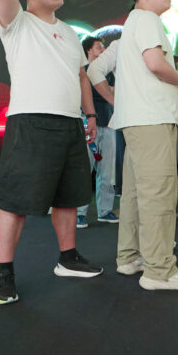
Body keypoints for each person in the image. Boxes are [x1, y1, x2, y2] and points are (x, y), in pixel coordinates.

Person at [0, 0, 102, 306]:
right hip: (30, 122)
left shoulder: (69, 32)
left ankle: (68, 258)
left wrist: (90, 114)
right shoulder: (16, 22)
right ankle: (3, 274)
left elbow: (81, 77)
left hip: (69, 123)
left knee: (68, 198)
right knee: (15, 203)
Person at [114, 0, 178, 291]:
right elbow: (155, 64)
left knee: (137, 193)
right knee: (160, 194)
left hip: (139, 119)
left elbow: (148, 70)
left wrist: (175, 87)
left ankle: (129, 257)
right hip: (151, 120)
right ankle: (159, 270)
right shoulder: (148, 19)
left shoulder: (135, 22)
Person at [76, 36, 118, 228]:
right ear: (89, 51)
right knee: (85, 170)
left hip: (108, 124)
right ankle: (79, 213)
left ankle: (105, 211)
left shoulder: (109, 72)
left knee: (107, 172)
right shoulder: (82, 72)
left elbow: (115, 91)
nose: (103, 50)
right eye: (99, 47)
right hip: (87, 124)